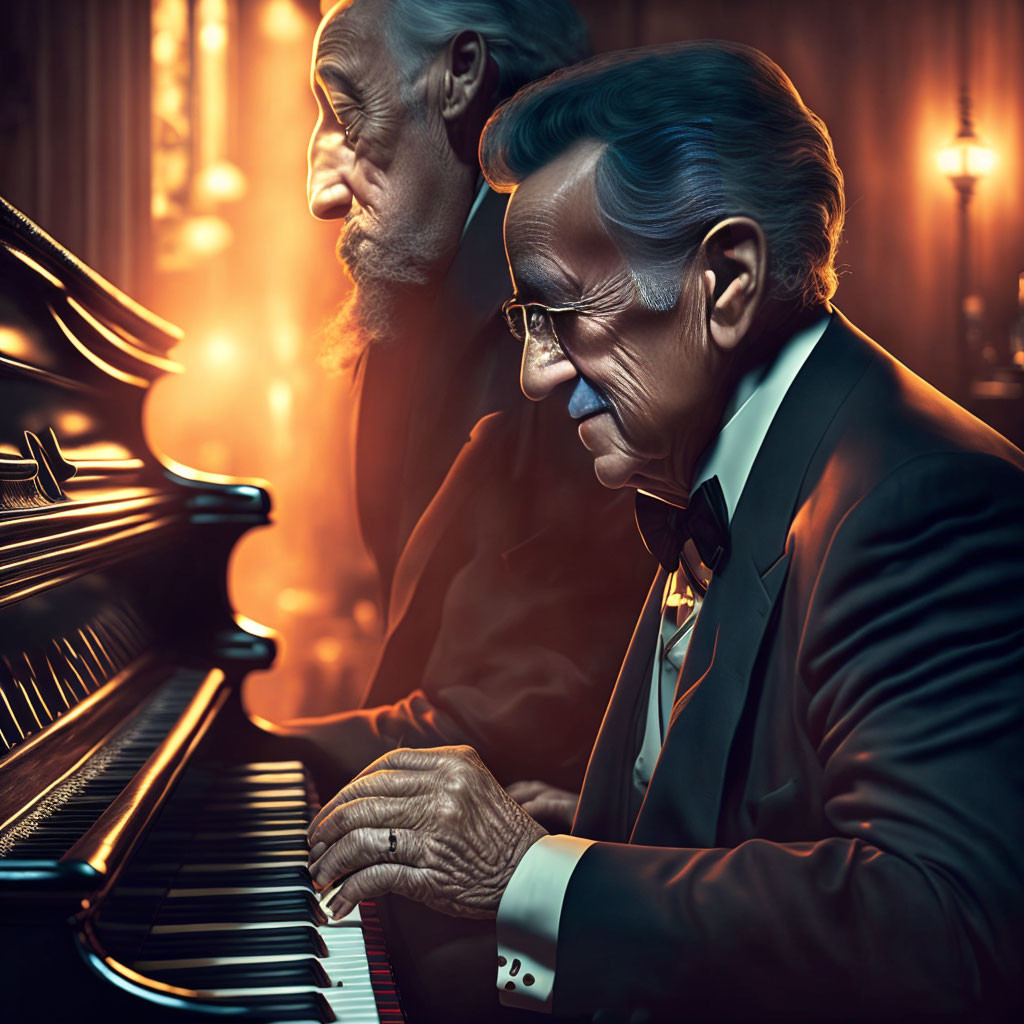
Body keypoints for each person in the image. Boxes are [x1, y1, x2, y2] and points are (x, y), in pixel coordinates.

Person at [305, 41, 1024, 1021]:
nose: (534, 377)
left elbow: (941, 927)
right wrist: (607, 833)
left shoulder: (925, 499)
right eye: (526, 322)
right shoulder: (711, 445)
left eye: (559, 313)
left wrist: (532, 873)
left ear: (724, 281)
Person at [289, 0, 652, 802]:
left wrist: (227, 763)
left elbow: (530, 704)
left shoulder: (565, 329)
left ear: (459, 75)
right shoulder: (420, 299)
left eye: (348, 113)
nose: (319, 191)